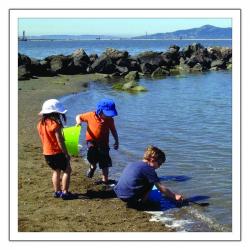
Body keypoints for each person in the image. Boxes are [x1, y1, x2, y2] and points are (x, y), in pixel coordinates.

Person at [114, 145, 183, 209]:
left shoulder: (133, 164)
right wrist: (174, 196)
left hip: (119, 194)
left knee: (150, 182)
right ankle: (144, 203)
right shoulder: (148, 169)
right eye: (159, 163)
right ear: (152, 160)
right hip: (130, 197)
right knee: (155, 186)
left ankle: (141, 200)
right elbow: (161, 187)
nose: (159, 166)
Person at [75, 98, 119, 184]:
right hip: (91, 143)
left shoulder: (110, 120)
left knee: (105, 162)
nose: (109, 116)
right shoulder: (90, 115)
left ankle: (105, 180)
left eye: (110, 114)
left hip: (104, 144)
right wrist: (79, 122)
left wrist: (116, 141)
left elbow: (113, 131)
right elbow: (78, 116)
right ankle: (92, 167)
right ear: (99, 110)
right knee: (92, 159)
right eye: (107, 114)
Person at [37, 99, 73, 200]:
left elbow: (43, 138)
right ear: (56, 113)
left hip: (47, 153)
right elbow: (60, 141)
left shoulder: (40, 124)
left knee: (56, 171)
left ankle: (57, 191)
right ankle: (65, 192)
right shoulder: (55, 124)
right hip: (57, 152)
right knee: (67, 170)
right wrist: (66, 154)